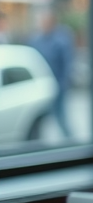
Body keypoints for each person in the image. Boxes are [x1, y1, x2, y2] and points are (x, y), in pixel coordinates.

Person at [29, 8, 75, 139]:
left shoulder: (61, 40)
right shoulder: (37, 39)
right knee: (39, 118)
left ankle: (69, 140)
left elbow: (68, 63)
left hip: (58, 84)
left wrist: (63, 84)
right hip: (42, 84)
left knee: (60, 115)